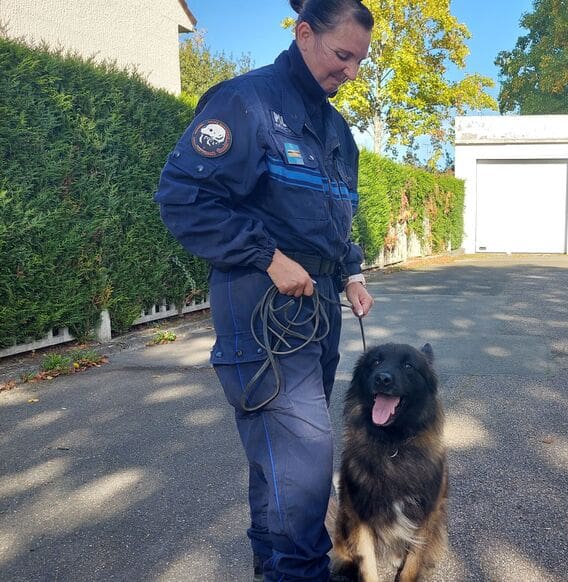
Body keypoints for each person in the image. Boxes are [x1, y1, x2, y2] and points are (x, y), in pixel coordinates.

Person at [154, 1, 374, 579]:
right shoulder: (245, 103)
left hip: (319, 313)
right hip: (262, 316)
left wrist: (349, 270)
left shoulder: (334, 129)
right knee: (302, 474)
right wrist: (267, 256)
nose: (351, 73)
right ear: (305, 34)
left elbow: (336, 217)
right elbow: (183, 198)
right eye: (343, 55)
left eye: (359, 62)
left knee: (280, 472)